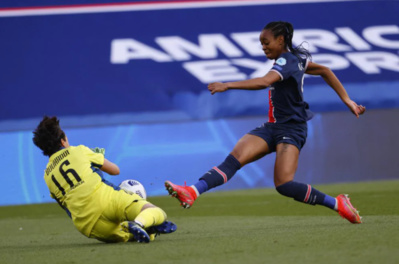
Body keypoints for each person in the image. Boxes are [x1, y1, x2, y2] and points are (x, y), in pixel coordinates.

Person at [165, 21, 365, 224]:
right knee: (234, 159)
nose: (263, 47)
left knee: (284, 184)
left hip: (293, 129)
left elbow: (264, 81)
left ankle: (338, 204)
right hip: (272, 127)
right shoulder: (295, 60)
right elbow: (325, 70)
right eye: (261, 43)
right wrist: (347, 100)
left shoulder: (287, 61)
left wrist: (227, 85)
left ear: (281, 40)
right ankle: (192, 191)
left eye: (266, 42)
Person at [33, 116, 176, 243]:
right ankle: (141, 222)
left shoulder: (47, 175)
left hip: (88, 225)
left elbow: (66, 207)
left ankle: (142, 228)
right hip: (107, 201)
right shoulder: (79, 150)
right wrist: (96, 160)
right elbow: (115, 170)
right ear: (63, 141)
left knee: (128, 236)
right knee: (157, 212)